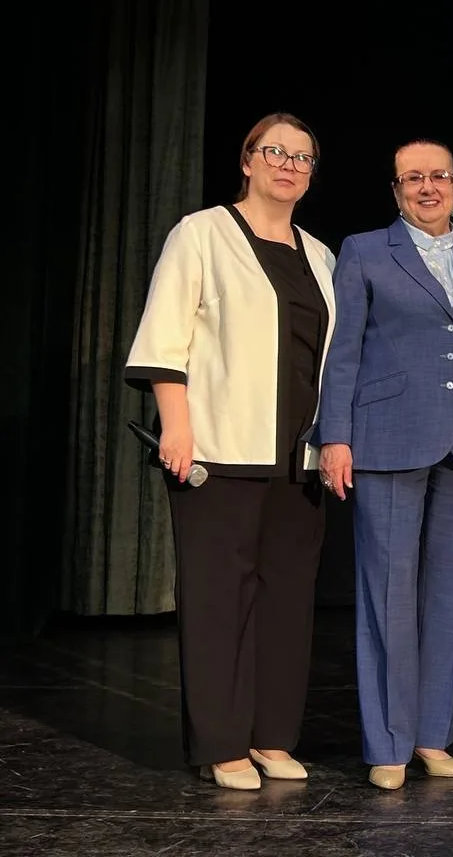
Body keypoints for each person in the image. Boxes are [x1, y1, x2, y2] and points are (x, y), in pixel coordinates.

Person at [124, 112, 335, 791]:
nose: (288, 165)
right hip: (218, 449)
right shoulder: (201, 234)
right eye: (275, 151)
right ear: (247, 161)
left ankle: (271, 737)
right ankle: (222, 743)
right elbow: (166, 336)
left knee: (286, 600)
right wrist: (176, 427)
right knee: (218, 600)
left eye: (302, 157)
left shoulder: (321, 256)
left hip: (298, 458)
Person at [317, 139, 453, 791]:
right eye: (414, 178)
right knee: (388, 595)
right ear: (396, 191)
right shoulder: (366, 250)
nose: (429, 187)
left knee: (449, 597)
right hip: (387, 437)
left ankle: (432, 736)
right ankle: (389, 743)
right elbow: (342, 351)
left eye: (440, 176)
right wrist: (335, 436)